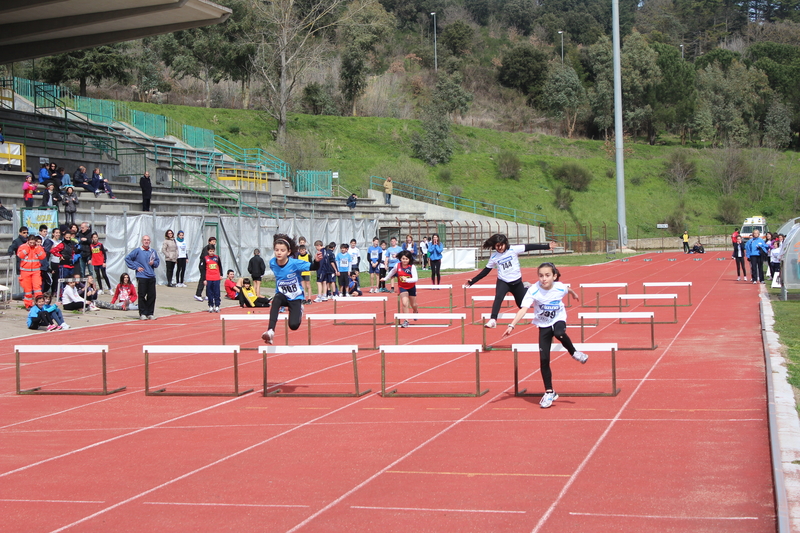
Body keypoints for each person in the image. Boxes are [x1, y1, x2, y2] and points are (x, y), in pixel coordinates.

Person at [501, 262, 587, 408]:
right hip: (543, 324)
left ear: (554, 276)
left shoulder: (560, 287)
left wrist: (573, 294)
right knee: (544, 359)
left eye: (547, 275)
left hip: (558, 318)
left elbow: (567, 289)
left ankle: (574, 352)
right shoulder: (533, 290)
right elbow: (523, 309)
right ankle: (549, 392)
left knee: (559, 332)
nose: (544, 279)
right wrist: (511, 325)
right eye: (541, 276)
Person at [463, 233, 556, 329]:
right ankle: (493, 320)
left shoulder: (513, 249)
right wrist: (473, 281)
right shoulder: (494, 257)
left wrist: (547, 246)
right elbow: (486, 271)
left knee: (521, 305)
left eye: (501, 245)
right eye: (497, 246)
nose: (500, 248)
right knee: (498, 298)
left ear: (506, 243)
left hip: (516, 282)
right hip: (503, 281)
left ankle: (525, 287)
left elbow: (529, 247)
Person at [262, 234, 313, 344]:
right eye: (276, 250)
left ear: (288, 252)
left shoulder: (295, 263)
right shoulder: (272, 263)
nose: (279, 253)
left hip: (295, 296)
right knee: (276, 300)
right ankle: (270, 331)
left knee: (293, 326)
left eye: (282, 250)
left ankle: (299, 310)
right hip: (282, 295)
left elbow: (313, 267)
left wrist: (317, 261)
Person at [125, 235, 160, 320]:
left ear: (150, 241)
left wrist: (153, 263)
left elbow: (157, 261)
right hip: (142, 276)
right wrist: (136, 267)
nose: (146, 241)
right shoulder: (137, 251)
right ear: (142, 241)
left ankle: (150, 313)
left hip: (151, 276)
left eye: (148, 240)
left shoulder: (152, 251)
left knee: (152, 295)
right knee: (142, 295)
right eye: (145, 240)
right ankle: (143, 313)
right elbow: (127, 259)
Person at [382, 250, 419, 327]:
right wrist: (385, 278)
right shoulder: (397, 265)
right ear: (400, 259)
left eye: (406, 259)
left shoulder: (412, 267)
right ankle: (406, 320)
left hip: (411, 287)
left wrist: (407, 280)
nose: (404, 261)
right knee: (405, 303)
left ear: (409, 259)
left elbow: (416, 278)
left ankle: (415, 311)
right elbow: (392, 272)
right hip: (402, 287)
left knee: (413, 304)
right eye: (403, 259)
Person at [17, 234, 45, 309]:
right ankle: (28, 305)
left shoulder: (38, 248)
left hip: (36, 271)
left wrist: (37, 249)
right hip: (25, 272)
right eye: (30, 243)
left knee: (37, 288)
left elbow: (43, 256)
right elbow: (20, 255)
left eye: (33, 243)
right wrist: (26, 250)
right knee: (27, 290)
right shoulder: (23, 247)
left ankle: (39, 304)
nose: (32, 244)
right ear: (28, 241)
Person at [200, 244, 222, 312]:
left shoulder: (217, 258)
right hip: (209, 278)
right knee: (209, 293)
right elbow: (203, 269)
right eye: (210, 251)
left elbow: (220, 267)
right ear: (208, 251)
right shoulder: (205, 258)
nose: (211, 252)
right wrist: (204, 279)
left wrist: (221, 274)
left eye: (213, 251)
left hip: (216, 278)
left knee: (217, 292)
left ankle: (217, 305)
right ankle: (211, 305)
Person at [195, 237, 216, 301]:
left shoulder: (212, 248)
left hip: (208, 266)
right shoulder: (206, 249)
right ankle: (198, 294)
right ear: (209, 242)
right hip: (203, 265)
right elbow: (205, 258)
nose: (214, 243)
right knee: (203, 279)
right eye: (212, 241)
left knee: (208, 280)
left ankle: (208, 295)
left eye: (215, 242)